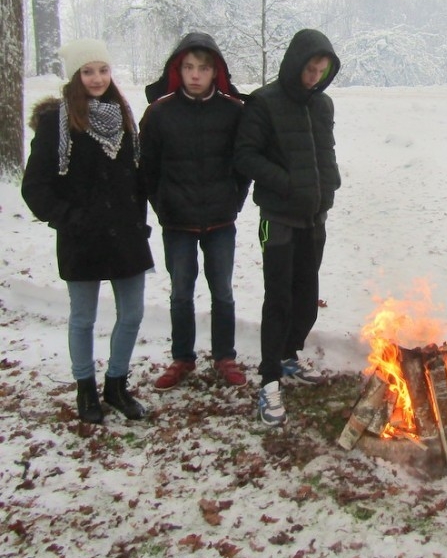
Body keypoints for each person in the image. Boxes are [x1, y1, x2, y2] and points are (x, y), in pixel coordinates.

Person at [22, 39, 153, 424]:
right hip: (82, 237)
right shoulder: (56, 122)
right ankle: (85, 390)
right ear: (76, 76)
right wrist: (68, 218)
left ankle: (116, 386)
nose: (97, 78)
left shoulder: (124, 116)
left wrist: (139, 216)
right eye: (88, 71)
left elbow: (136, 174)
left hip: (126, 235)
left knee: (131, 314)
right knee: (83, 318)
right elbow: (35, 186)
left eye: (103, 70)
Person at [234, 29, 341, 426]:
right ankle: (269, 381)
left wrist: (329, 184)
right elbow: (245, 156)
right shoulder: (265, 102)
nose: (314, 77)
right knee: (277, 298)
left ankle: (288, 356)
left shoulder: (323, 105)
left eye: (321, 70)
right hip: (277, 219)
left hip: (315, 217)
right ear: (295, 64)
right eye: (309, 69)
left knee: (305, 294)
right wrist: (287, 182)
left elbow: (324, 152)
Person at [140, 32, 250, 390]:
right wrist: (163, 205)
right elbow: (149, 170)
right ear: (179, 69)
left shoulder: (234, 112)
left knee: (223, 292)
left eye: (203, 68)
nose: (196, 75)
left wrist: (234, 200)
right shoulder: (159, 113)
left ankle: (225, 356)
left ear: (215, 72)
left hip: (220, 220)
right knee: (180, 293)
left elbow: (243, 164)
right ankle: (182, 358)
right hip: (178, 223)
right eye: (189, 67)